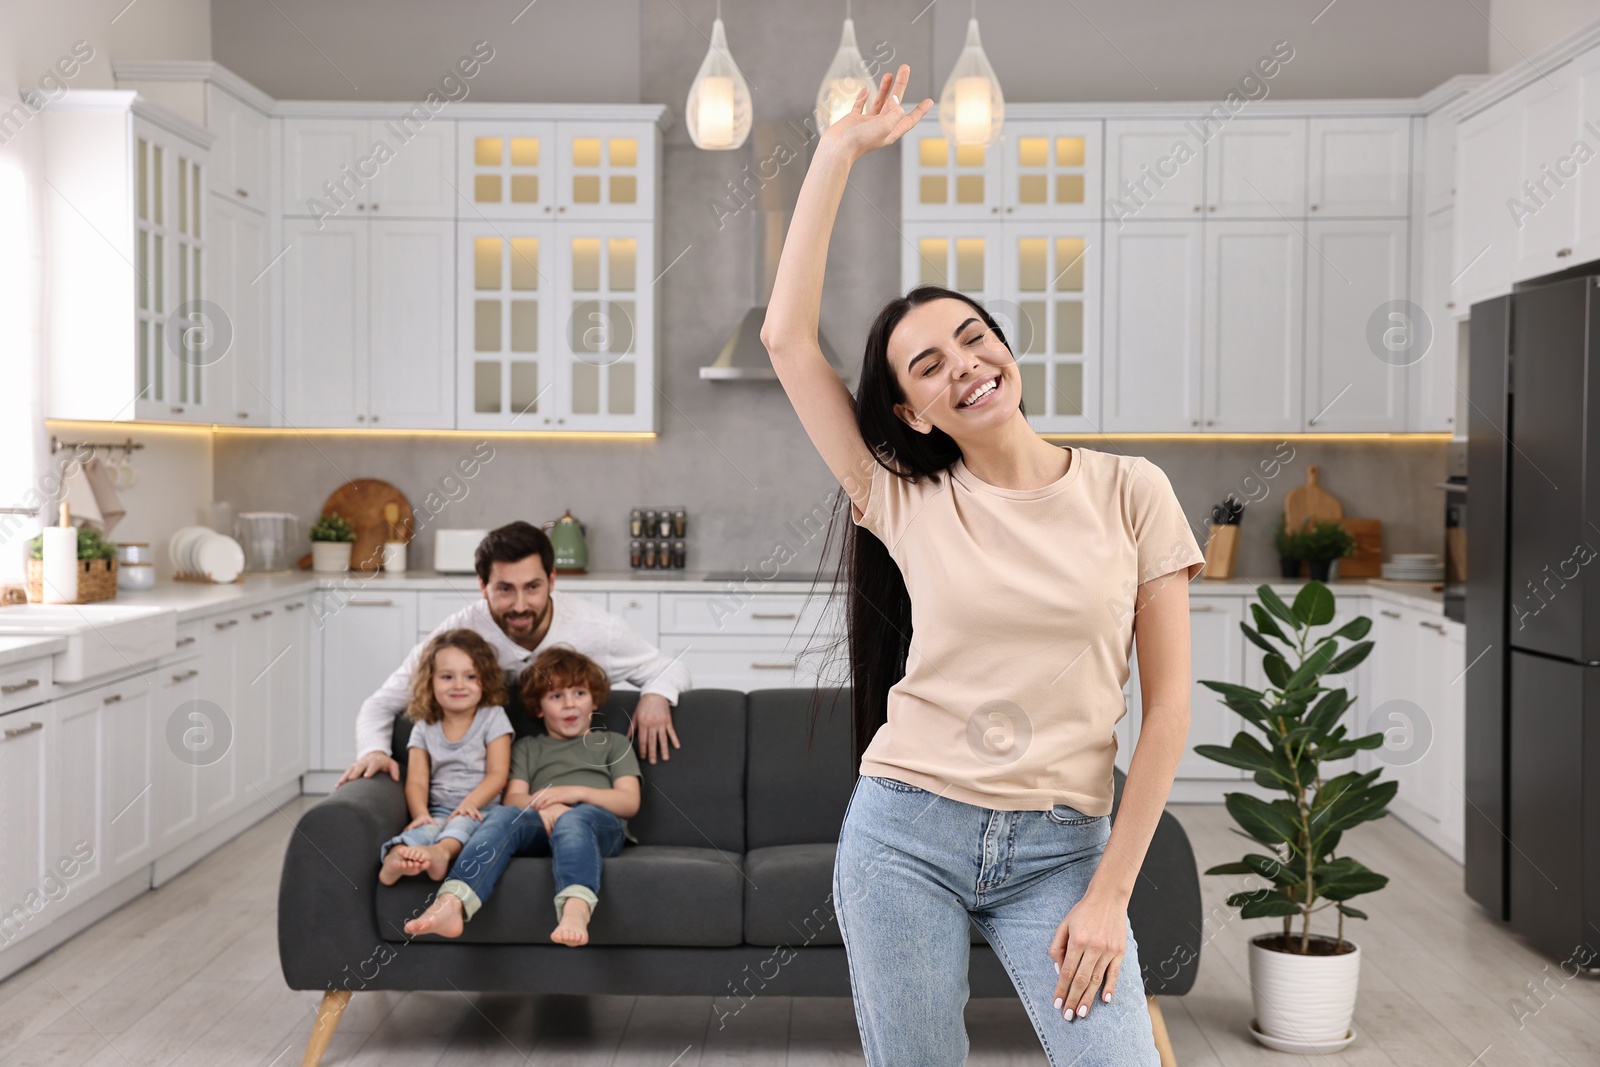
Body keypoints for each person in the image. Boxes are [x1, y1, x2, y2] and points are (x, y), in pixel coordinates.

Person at [761, 66, 1206, 1066]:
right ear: (913, 412)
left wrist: (1108, 894)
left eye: (973, 336)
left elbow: (1168, 706)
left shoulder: (1132, 489)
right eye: (927, 364)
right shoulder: (904, 500)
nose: (963, 362)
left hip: (1062, 847)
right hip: (903, 837)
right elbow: (788, 338)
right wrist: (834, 153)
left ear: (1004, 350)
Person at [337, 521, 689, 787]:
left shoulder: (597, 629)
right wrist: (374, 752)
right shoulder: (457, 635)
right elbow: (380, 703)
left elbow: (668, 667)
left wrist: (656, 694)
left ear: (552, 581)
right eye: (505, 589)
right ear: (482, 586)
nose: (520, 606)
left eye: (532, 587)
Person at [402, 646, 641, 946]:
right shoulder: (528, 748)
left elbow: (629, 802)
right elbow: (513, 799)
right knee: (502, 816)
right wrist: (542, 808)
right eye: (556, 696)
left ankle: (576, 909)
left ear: (594, 700)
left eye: (579, 694)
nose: (569, 705)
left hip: (597, 825)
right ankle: (452, 902)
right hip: (541, 822)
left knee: (575, 819)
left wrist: (571, 795)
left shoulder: (614, 743)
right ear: (539, 708)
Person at [376, 629, 513, 885]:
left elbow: (498, 773)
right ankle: (395, 858)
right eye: (447, 677)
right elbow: (417, 781)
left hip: (481, 810)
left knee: (461, 827)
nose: (459, 685)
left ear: (486, 680)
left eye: (470, 676)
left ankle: (440, 854)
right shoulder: (424, 726)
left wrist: (470, 804)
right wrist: (419, 814)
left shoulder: (492, 717)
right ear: (430, 681)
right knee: (424, 830)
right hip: (439, 809)